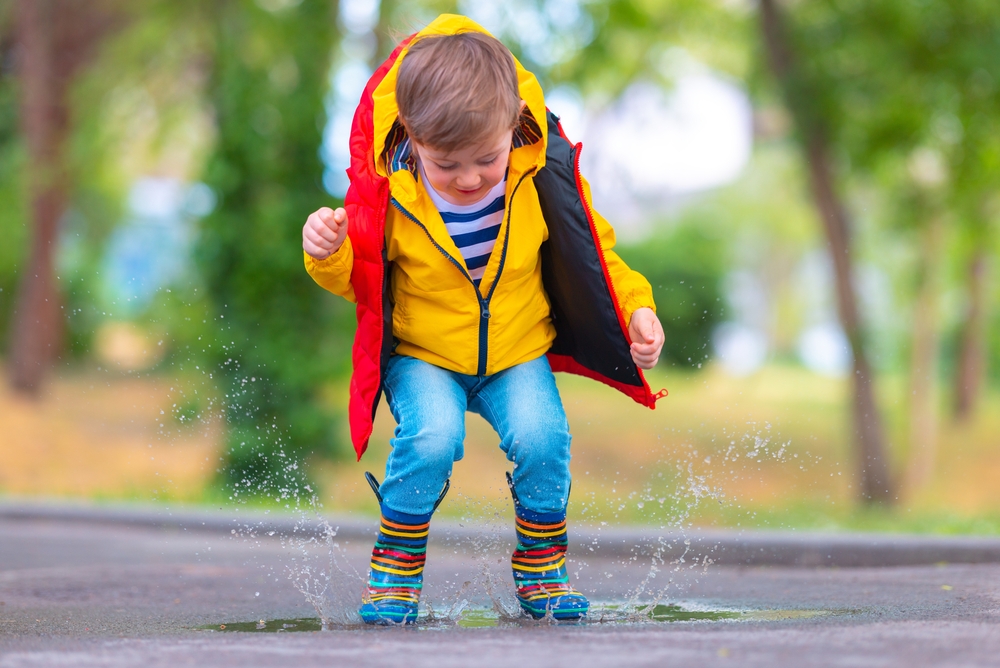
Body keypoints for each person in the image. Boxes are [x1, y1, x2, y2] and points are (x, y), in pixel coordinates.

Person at [302, 14, 666, 624]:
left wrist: (638, 307)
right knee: (430, 439)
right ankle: (395, 569)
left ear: (510, 129)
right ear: (412, 138)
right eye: (447, 164)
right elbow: (359, 276)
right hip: (425, 354)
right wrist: (328, 251)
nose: (469, 178)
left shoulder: (534, 178)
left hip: (516, 351)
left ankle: (542, 570)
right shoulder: (392, 192)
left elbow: (593, 249)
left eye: (485, 159)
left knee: (544, 439)